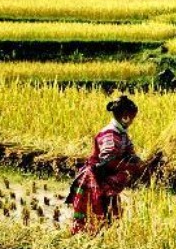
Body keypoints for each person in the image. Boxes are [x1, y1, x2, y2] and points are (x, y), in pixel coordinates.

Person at [66, 95, 162, 235]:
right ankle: (89, 237)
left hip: (108, 178)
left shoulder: (122, 134)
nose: (133, 121)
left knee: (110, 212)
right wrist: (130, 167)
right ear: (125, 117)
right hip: (98, 177)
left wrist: (142, 163)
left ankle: (106, 235)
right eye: (132, 117)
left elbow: (130, 152)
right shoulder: (110, 134)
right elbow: (107, 161)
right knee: (96, 211)